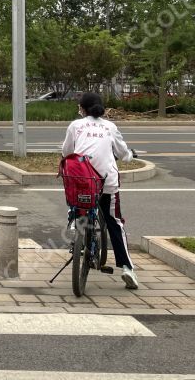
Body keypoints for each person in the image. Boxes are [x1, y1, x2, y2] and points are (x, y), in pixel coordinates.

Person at [61, 92, 138, 290]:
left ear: (83, 109)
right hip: (107, 182)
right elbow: (122, 153)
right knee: (115, 222)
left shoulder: (75, 126)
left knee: (77, 201)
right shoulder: (110, 127)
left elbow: (66, 152)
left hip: (83, 181)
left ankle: (75, 226)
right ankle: (128, 268)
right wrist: (130, 155)